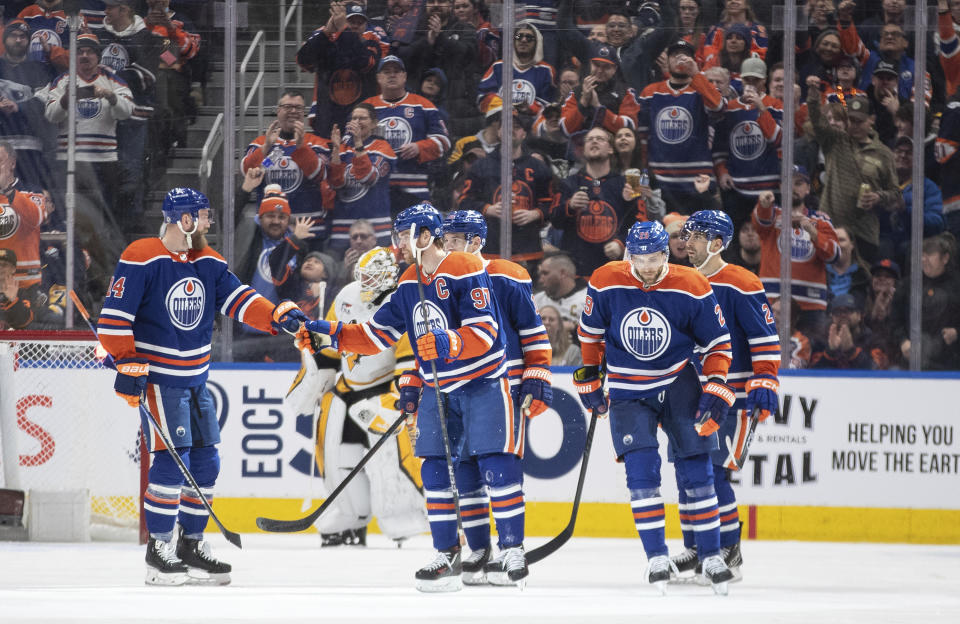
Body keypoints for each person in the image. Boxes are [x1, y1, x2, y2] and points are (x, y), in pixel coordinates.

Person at [296, 203, 529, 592]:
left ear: (425, 236)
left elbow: (487, 333)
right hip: (438, 390)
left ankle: (510, 550)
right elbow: (375, 335)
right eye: (396, 235)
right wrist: (324, 331)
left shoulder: (463, 268)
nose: (397, 243)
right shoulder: (407, 280)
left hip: (483, 383)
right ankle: (447, 553)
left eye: (403, 235)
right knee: (435, 469)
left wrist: (446, 341)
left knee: (497, 466)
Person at [96, 187, 309, 586]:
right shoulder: (142, 256)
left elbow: (239, 299)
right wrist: (126, 362)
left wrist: (278, 315)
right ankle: (158, 550)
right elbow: (113, 319)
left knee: (206, 462)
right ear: (185, 219)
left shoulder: (207, 261)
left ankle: (191, 543)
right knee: (172, 463)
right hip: (160, 381)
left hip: (196, 381)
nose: (209, 221)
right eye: (203, 215)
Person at [574, 220, 736, 595]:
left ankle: (711, 555)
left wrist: (715, 386)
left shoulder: (692, 285)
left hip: (679, 381)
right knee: (641, 472)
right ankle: (656, 557)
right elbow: (590, 336)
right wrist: (589, 375)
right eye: (640, 258)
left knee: (697, 470)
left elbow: (718, 344)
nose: (647, 267)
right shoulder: (605, 279)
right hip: (629, 387)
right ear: (630, 254)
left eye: (655, 257)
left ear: (668, 253)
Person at [287, 246, 426, 547]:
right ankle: (350, 515)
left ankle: (402, 518)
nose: (367, 285)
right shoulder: (348, 295)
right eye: (364, 277)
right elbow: (330, 341)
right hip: (347, 390)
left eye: (374, 279)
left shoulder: (401, 302)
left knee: (390, 459)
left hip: (384, 391)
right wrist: (316, 372)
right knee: (336, 456)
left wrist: (397, 401)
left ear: (389, 278)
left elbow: (408, 363)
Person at [440, 209, 552, 585]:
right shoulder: (439, 277)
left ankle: (511, 549)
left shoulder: (506, 274)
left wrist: (537, 373)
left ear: (475, 241)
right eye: (445, 239)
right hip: (456, 386)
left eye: (454, 239)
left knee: (498, 461)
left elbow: (532, 329)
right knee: (465, 469)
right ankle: (478, 547)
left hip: (502, 381)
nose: (447, 246)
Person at [669, 210, 780, 584]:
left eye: (696, 236)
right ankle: (697, 548)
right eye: (687, 236)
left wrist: (765, 379)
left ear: (717, 243)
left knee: (714, 475)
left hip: (733, 397)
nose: (687, 243)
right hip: (690, 393)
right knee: (687, 473)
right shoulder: (681, 281)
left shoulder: (740, 282)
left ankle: (728, 552)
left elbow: (763, 338)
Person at [456, 108, 552, 268]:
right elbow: (463, 202)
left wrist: (536, 213)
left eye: (516, 126)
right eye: (505, 126)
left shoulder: (538, 167)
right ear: (498, 132)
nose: (510, 130)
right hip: (491, 248)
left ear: (524, 134)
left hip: (528, 250)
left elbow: (553, 204)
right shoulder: (481, 166)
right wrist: (487, 209)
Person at [637, 39, 726, 213]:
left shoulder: (701, 90)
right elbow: (643, 137)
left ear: (694, 62)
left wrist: (697, 74)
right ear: (667, 62)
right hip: (662, 179)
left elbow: (719, 107)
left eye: (685, 56)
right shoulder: (650, 92)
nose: (680, 59)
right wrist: (645, 172)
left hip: (698, 180)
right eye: (675, 56)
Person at [551, 126, 644, 278]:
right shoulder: (568, 183)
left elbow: (641, 223)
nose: (594, 141)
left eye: (600, 139)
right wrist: (570, 206)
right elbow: (555, 220)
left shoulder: (629, 183)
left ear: (611, 149)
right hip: (576, 273)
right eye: (589, 139)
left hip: (614, 272)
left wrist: (621, 243)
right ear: (584, 150)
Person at [363, 55, 451, 214]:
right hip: (377, 188)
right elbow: (351, 142)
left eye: (397, 71)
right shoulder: (367, 107)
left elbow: (444, 142)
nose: (392, 75)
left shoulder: (424, 105)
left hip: (414, 189)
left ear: (404, 76)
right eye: (386, 71)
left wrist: (419, 147)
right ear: (378, 78)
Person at [241, 90, 329, 248]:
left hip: (308, 229)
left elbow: (319, 175)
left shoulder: (316, 143)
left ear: (304, 112)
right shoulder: (264, 143)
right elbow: (250, 173)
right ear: (278, 110)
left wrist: (301, 147)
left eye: (298, 108)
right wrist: (266, 147)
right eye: (288, 107)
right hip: (270, 230)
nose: (293, 111)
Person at [753, 188, 840, 339]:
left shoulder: (821, 220)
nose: (792, 187)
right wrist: (764, 204)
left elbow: (834, 255)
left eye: (799, 183)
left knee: (812, 356)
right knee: (767, 352)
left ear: (807, 188)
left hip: (810, 303)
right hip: (773, 301)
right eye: (789, 182)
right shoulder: (773, 213)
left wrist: (810, 230)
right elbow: (760, 223)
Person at [296, 0, 388, 138]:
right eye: (351, 21)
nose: (355, 26)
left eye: (360, 22)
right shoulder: (325, 39)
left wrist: (344, 30)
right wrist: (327, 32)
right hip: (328, 112)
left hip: (360, 113)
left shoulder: (372, 41)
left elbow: (366, 63)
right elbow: (303, 62)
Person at [325, 102, 397, 254]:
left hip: (375, 228)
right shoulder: (343, 147)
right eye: (354, 118)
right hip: (342, 226)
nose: (357, 122)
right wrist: (336, 150)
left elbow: (369, 178)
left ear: (374, 123)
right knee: (342, 273)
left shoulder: (382, 147)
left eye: (362, 118)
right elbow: (336, 183)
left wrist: (358, 143)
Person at [532, 252, 588, 330]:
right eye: (540, 274)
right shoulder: (536, 301)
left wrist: (575, 329)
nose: (540, 280)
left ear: (562, 273)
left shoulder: (588, 300)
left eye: (545, 273)